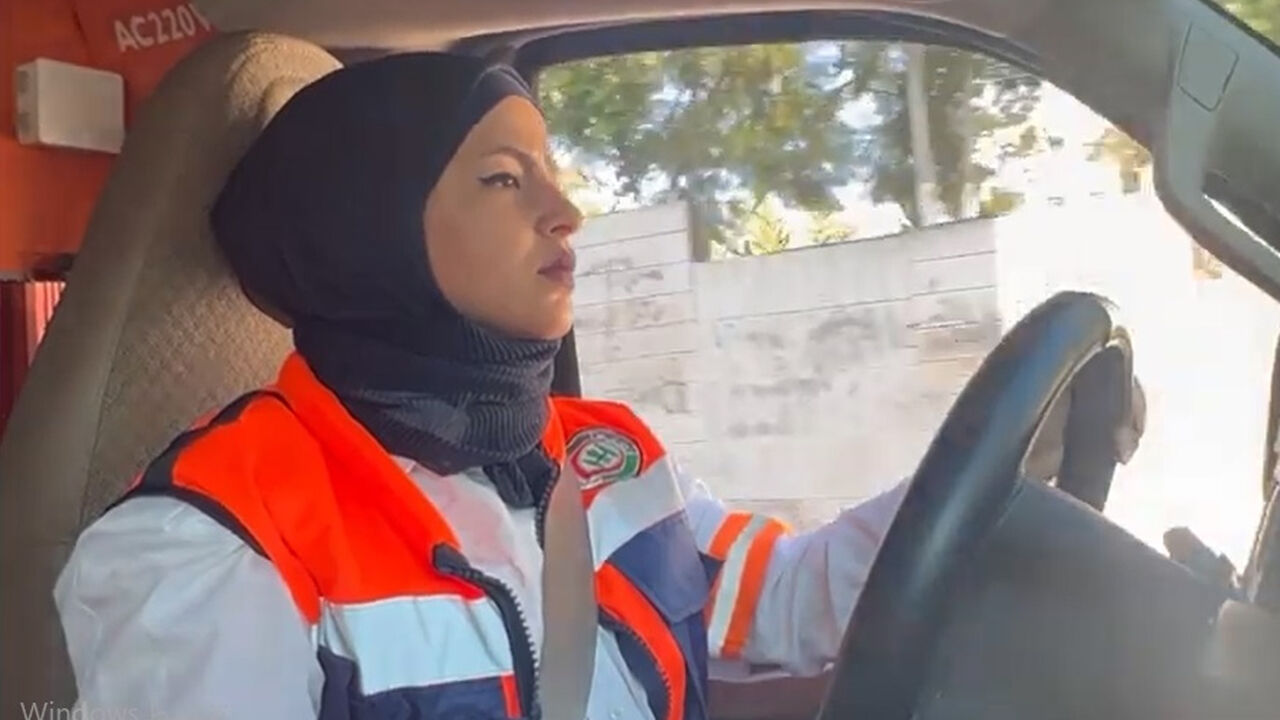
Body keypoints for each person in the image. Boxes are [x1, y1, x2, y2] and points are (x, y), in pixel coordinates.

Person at [52, 52, 1141, 720]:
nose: (564, 210)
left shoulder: (603, 456)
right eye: (500, 178)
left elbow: (794, 603)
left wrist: (1000, 480)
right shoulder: (204, 541)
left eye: (553, 170)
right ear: (363, 230)